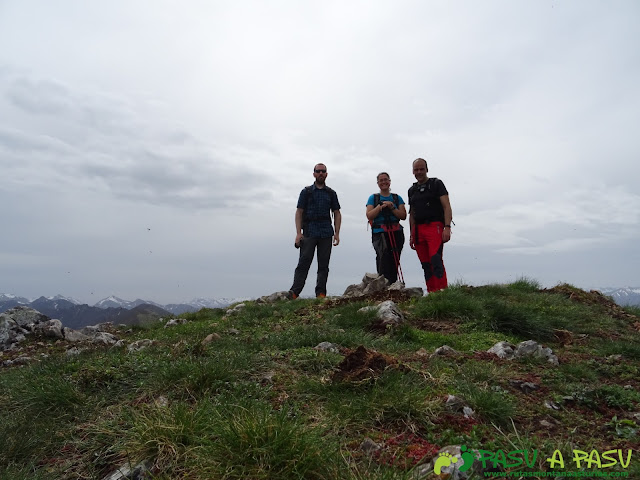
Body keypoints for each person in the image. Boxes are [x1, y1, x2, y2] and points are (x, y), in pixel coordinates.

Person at [289, 163, 341, 299]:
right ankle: (295, 292)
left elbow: (337, 213)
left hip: (326, 231)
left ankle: (321, 293)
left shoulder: (331, 193)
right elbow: (299, 212)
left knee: (323, 264)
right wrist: (298, 233)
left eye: (323, 171)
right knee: (304, 262)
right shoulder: (306, 192)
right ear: (314, 174)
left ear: (327, 174)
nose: (321, 173)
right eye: (318, 171)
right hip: (309, 230)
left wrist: (337, 233)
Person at [408, 158, 452, 293]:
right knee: (425, 264)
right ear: (413, 171)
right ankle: (432, 293)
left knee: (435, 259)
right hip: (418, 229)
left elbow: (447, 206)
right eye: (416, 170)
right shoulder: (412, 190)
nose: (419, 172)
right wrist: (411, 234)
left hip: (435, 226)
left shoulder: (436, 184)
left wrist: (447, 227)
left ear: (427, 169)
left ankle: (442, 292)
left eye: (421, 169)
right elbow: (412, 213)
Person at [366, 172, 407, 284]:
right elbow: (369, 215)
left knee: (395, 260)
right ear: (378, 183)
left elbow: (403, 216)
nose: (384, 182)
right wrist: (380, 207)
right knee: (383, 259)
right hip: (380, 233)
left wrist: (392, 207)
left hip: (396, 232)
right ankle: (383, 284)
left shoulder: (396, 198)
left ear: (389, 181)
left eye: (386, 180)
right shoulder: (373, 198)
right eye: (381, 180)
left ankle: (393, 284)